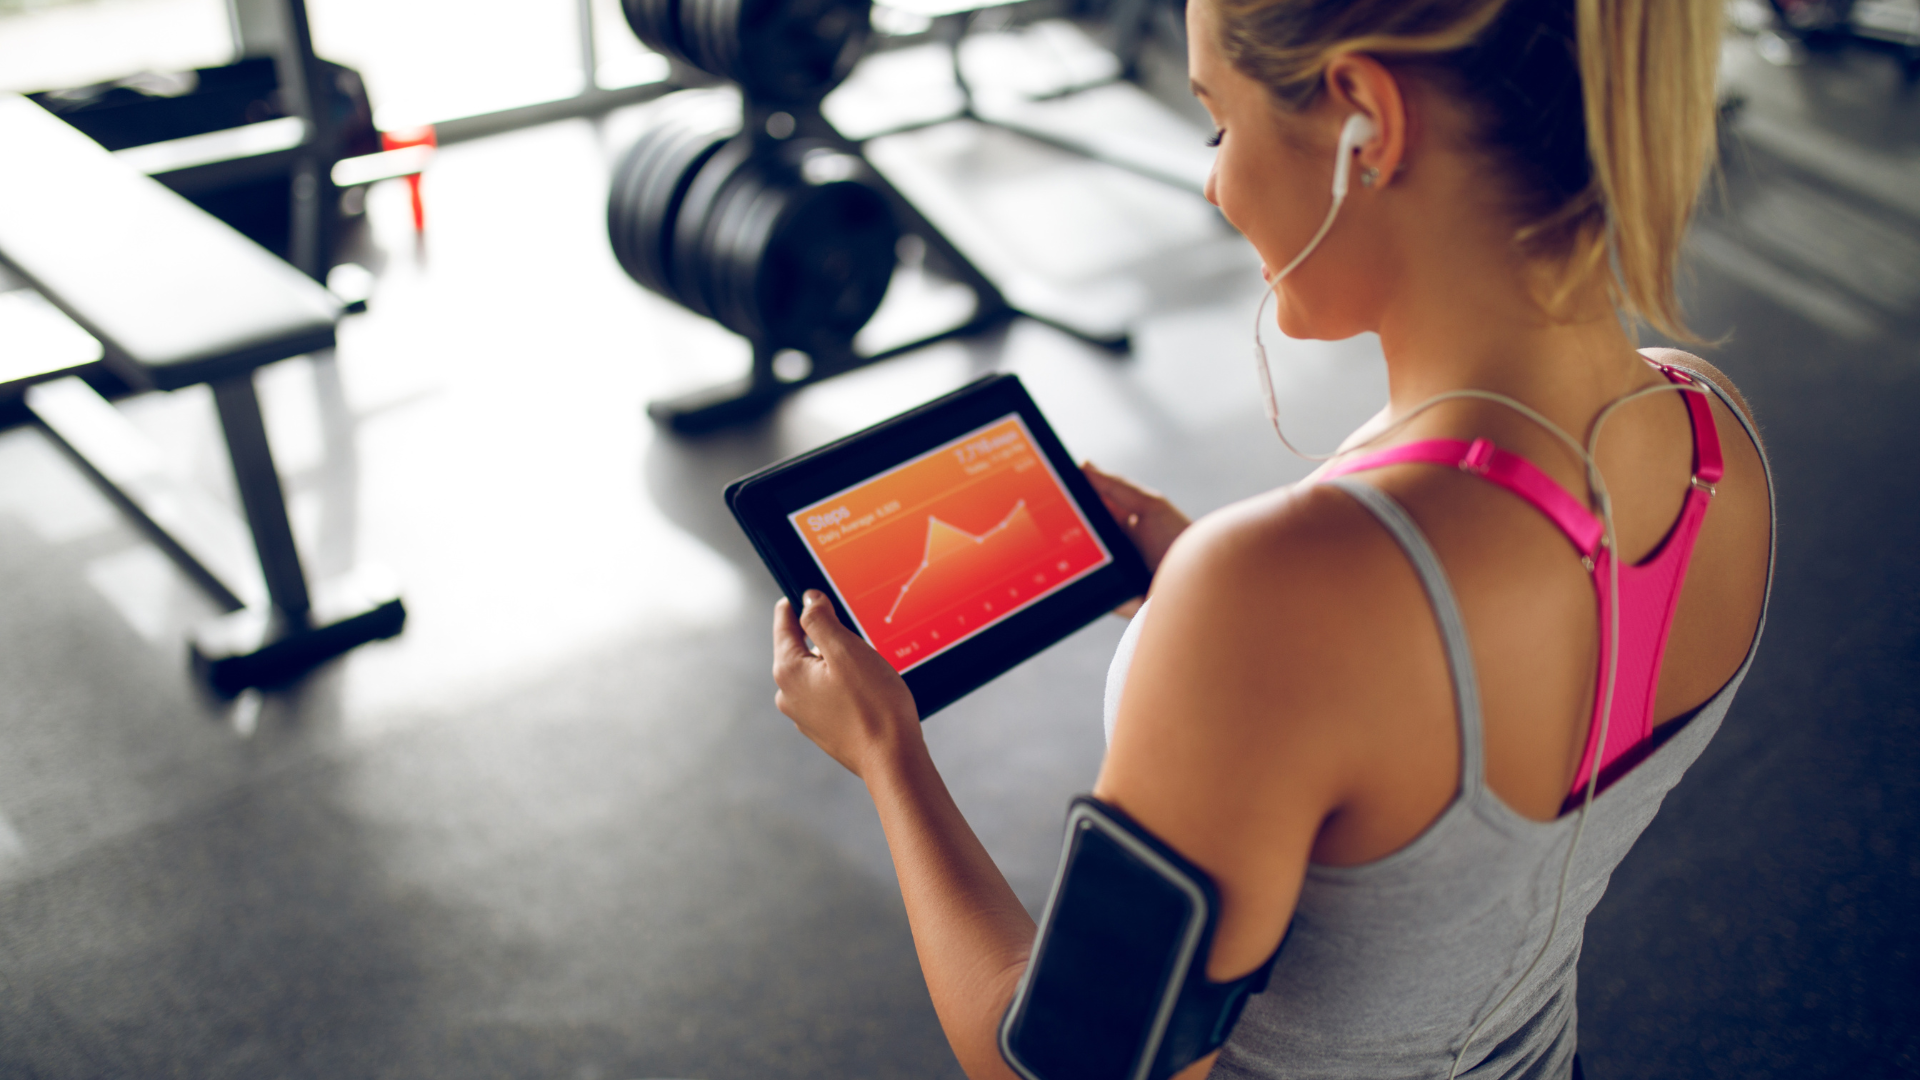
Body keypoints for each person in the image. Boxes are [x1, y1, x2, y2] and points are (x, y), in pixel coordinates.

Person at [770, 0, 1774, 1076]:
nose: (1212, 182)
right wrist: (1218, 613)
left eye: (1216, 125)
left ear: (1363, 121)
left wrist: (887, 753)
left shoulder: (1271, 601)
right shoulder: (1715, 440)